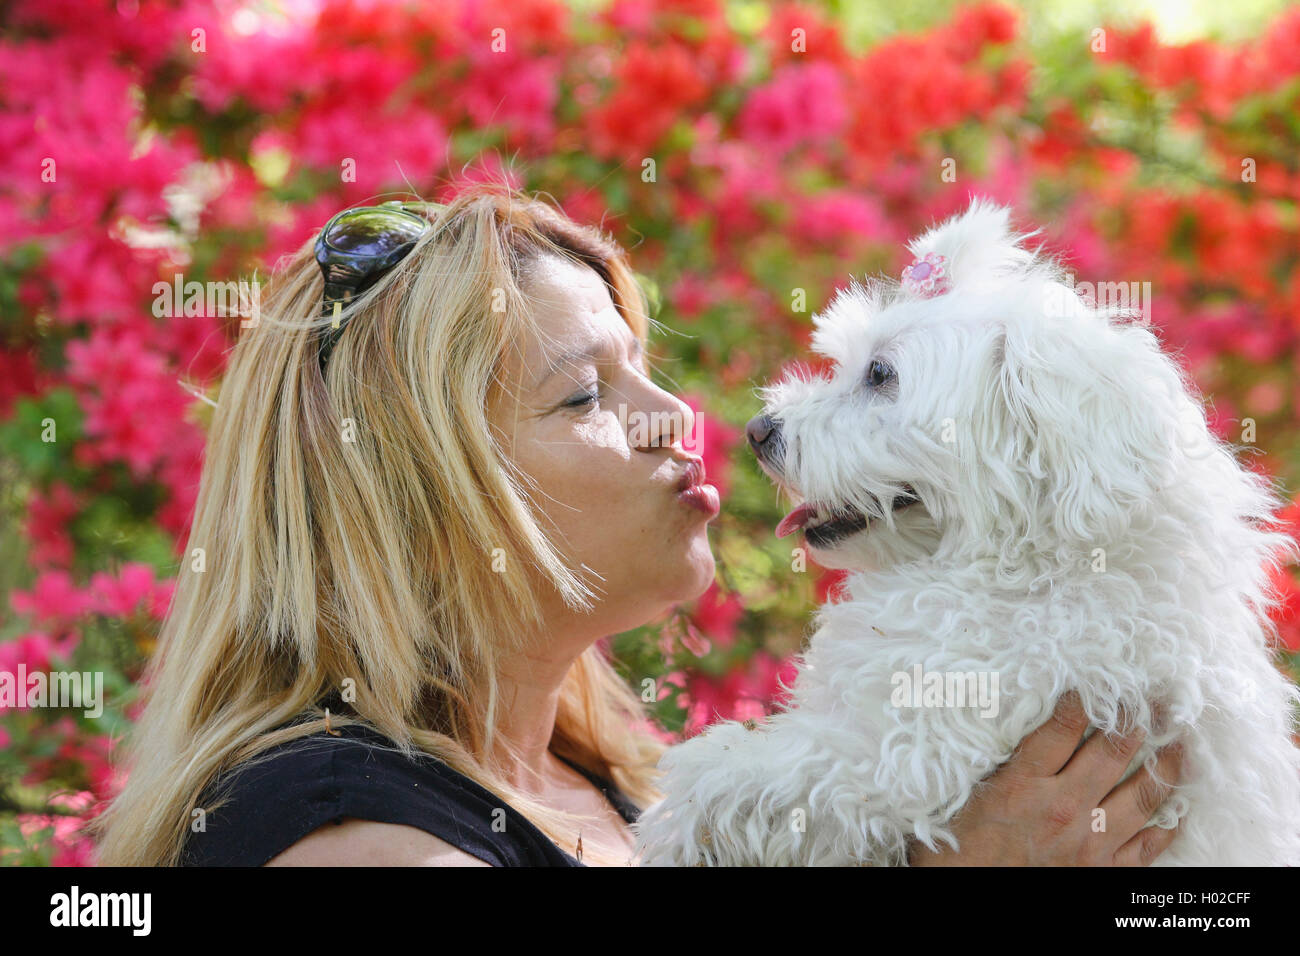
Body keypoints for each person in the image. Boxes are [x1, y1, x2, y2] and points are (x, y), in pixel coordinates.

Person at [91, 186, 1183, 866]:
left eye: (643, 367)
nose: (679, 417)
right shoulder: (355, 838)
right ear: (416, 501)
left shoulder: (606, 788)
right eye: (583, 395)